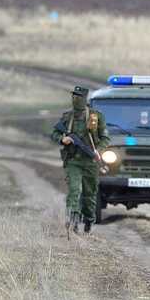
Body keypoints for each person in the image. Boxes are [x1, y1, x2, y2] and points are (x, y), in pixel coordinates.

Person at [51, 86, 110, 234]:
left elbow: (105, 138)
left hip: (90, 162)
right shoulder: (67, 117)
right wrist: (62, 139)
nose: (75, 99)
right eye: (74, 96)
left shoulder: (96, 117)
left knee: (89, 195)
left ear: (85, 98)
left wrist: (98, 150)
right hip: (73, 161)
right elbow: (54, 133)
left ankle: (89, 219)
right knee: (74, 190)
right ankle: (73, 220)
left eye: (78, 96)